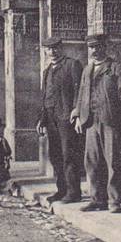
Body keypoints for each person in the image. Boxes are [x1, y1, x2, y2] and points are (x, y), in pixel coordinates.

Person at [71, 34, 121, 213]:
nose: (95, 50)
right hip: (90, 120)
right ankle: (97, 200)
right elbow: (81, 94)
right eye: (91, 47)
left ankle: (114, 201)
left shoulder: (115, 67)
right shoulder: (87, 70)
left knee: (112, 161)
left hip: (109, 119)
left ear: (105, 47)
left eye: (98, 46)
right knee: (92, 161)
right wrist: (77, 115)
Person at [36, 37, 84, 203]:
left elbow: (80, 90)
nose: (52, 52)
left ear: (61, 48)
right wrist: (42, 119)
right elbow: (45, 97)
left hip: (66, 117)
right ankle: (61, 190)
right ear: (45, 51)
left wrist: (76, 111)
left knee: (68, 154)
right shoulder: (47, 70)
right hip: (51, 118)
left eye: (55, 48)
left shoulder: (72, 65)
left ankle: (73, 192)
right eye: (49, 49)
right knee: (55, 155)